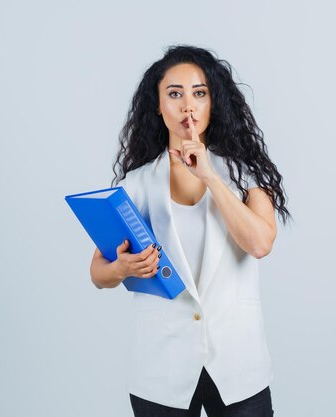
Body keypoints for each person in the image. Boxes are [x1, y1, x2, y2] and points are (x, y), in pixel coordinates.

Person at [89, 45, 291, 417]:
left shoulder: (244, 175)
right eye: (174, 94)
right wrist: (122, 269)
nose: (188, 106)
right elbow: (98, 273)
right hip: (160, 364)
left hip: (236, 361)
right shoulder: (136, 184)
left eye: (199, 93)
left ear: (213, 103)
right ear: (157, 106)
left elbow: (261, 243)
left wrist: (210, 176)